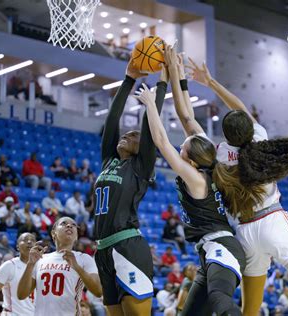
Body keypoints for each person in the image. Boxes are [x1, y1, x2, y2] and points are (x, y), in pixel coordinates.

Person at [186, 59, 288, 315]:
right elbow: (240, 108)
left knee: (250, 311)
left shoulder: (218, 155)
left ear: (226, 136)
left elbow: (191, 120)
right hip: (272, 222)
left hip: (244, 233)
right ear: (250, 130)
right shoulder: (259, 142)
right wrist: (211, 82)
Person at [136, 44, 246, 316]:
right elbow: (186, 114)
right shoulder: (208, 160)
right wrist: (175, 72)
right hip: (210, 252)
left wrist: (151, 104)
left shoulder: (195, 178)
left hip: (221, 247)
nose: (181, 145)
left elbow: (161, 141)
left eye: (183, 147)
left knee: (220, 300)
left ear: (191, 160)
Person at [92, 53, 167, 316]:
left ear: (141, 148)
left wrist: (162, 83)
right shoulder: (109, 161)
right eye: (126, 134)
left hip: (128, 247)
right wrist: (128, 80)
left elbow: (149, 127)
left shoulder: (141, 166)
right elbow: (112, 120)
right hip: (102, 250)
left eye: (133, 136)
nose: (127, 135)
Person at [17, 217, 102, 315]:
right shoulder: (40, 259)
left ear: (76, 236)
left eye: (73, 225)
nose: (69, 225)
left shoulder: (84, 258)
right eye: (63, 223)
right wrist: (30, 264)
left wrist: (77, 267)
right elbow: (21, 295)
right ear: (54, 233)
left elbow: (98, 291)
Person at [0, 233, 36, 316]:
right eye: (25, 240)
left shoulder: (41, 266)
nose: (29, 242)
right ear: (17, 247)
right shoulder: (9, 265)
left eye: (33, 240)